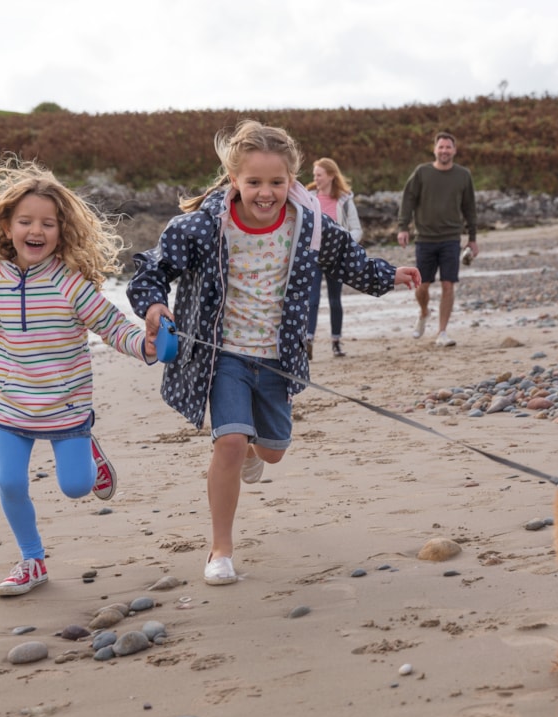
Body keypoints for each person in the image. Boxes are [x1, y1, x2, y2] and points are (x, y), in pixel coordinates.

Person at [128, 120, 420, 587]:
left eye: (277, 183)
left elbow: (349, 260)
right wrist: (154, 304)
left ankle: (252, 449)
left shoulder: (308, 225)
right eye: (254, 182)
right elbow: (153, 267)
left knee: (273, 450)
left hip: (279, 357)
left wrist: (389, 276)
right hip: (221, 355)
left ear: (293, 181)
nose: (266, 193)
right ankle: (221, 549)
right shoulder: (205, 224)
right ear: (234, 180)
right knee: (227, 442)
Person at [0, 157, 155, 598]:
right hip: (11, 406)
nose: (36, 231)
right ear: (6, 226)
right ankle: (31, 560)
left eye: (48, 224)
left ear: (63, 231)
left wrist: (146, 345)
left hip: (66, 407)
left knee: (76, 487)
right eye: (26, 221)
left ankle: (88, 451)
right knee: (10, 482)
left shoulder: (71, 285)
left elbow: (114, 326)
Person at [396, 131, 479, 347]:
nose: (444, 151)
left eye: (448, 147)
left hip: (451, 238)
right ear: (435, 150)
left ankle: (442, 332)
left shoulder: (463, 175)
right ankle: (424, 312)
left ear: (454, 150)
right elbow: (408, 200)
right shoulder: (422, 173)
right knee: (422, 286)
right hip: (425, 238)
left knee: (448, 285)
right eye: (440, 147)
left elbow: (470, 208)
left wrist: (472, 238)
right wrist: (403, 227)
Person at [306, 157, 363, 358]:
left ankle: (336, 341)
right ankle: (308, 340)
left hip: (336, 257)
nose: (316, 179)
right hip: (313, 256)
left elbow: (356, 229)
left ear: (331, 176)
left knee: (335, 300)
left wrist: (344, 243)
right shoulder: (309, 197)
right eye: (315, 175)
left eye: (319, 175)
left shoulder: (345, 200)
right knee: (311, 299)